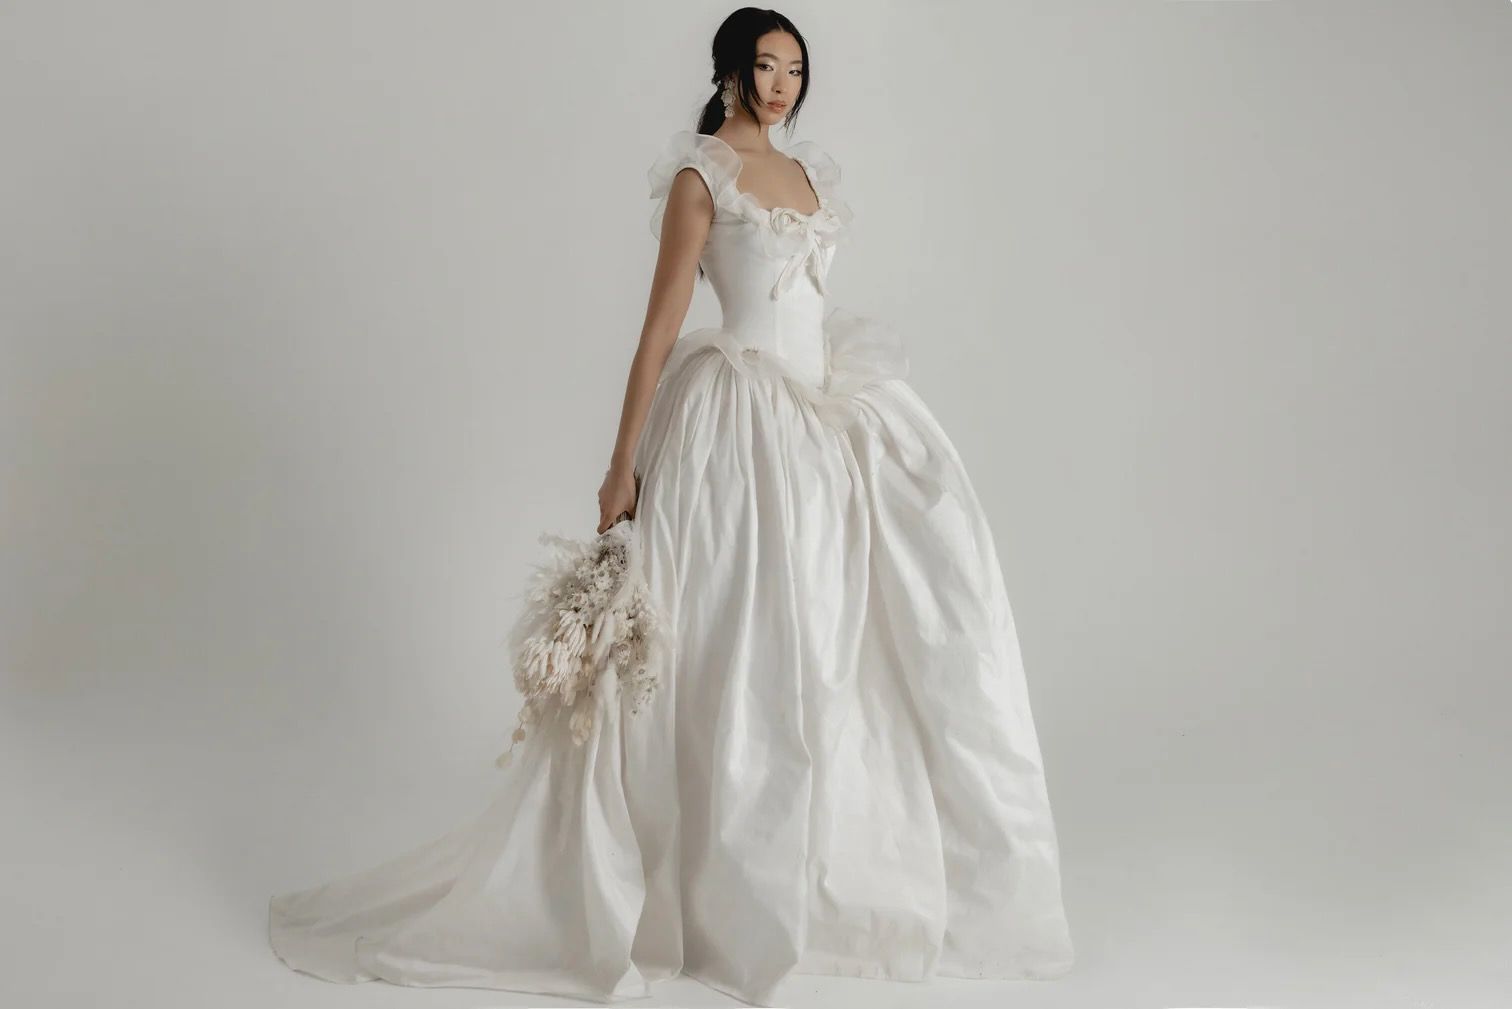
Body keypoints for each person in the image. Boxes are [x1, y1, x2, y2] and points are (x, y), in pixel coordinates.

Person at [268, 8, 1075, 1007]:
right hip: (733, 428)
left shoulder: (812, 175)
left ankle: (817, 879)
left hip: (823, 429)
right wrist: (621, 466)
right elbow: (656, 334)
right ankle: (702, 890)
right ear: (731, 70)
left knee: (841, 641)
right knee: (726, 645)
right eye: (765, 65)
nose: (781, 84)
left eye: (794, 68)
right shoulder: (703, 180)